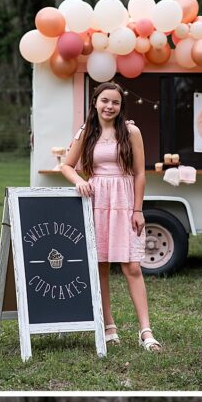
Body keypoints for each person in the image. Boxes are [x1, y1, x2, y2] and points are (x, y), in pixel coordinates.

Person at [61, 82, 162, 351]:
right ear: (95, 102)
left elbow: (140, 172)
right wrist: (79, 182)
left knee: (132, 266)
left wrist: (138, 209)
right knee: (100, 266)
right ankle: (109, 326)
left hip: (124, 200)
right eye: (105, 101)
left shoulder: (131, 131)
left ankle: (146, 331)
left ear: (120, 106)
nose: (109, 106)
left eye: (115, 102)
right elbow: (66, 165)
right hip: (96, 201)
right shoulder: (87, 132)